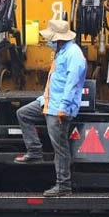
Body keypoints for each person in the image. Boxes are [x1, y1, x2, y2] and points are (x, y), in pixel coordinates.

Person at [14, 20, 87, 197]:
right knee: (23, 114)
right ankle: (34, 151)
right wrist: (43, 100)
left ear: (58, 39)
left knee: (60, 148)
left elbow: (72, 84)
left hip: (59, 109)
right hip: (49, 103)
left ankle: (63, 186)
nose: (48, 42)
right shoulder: (62, 52)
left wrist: (63, 108)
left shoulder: (73, 55)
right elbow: (56, 82)